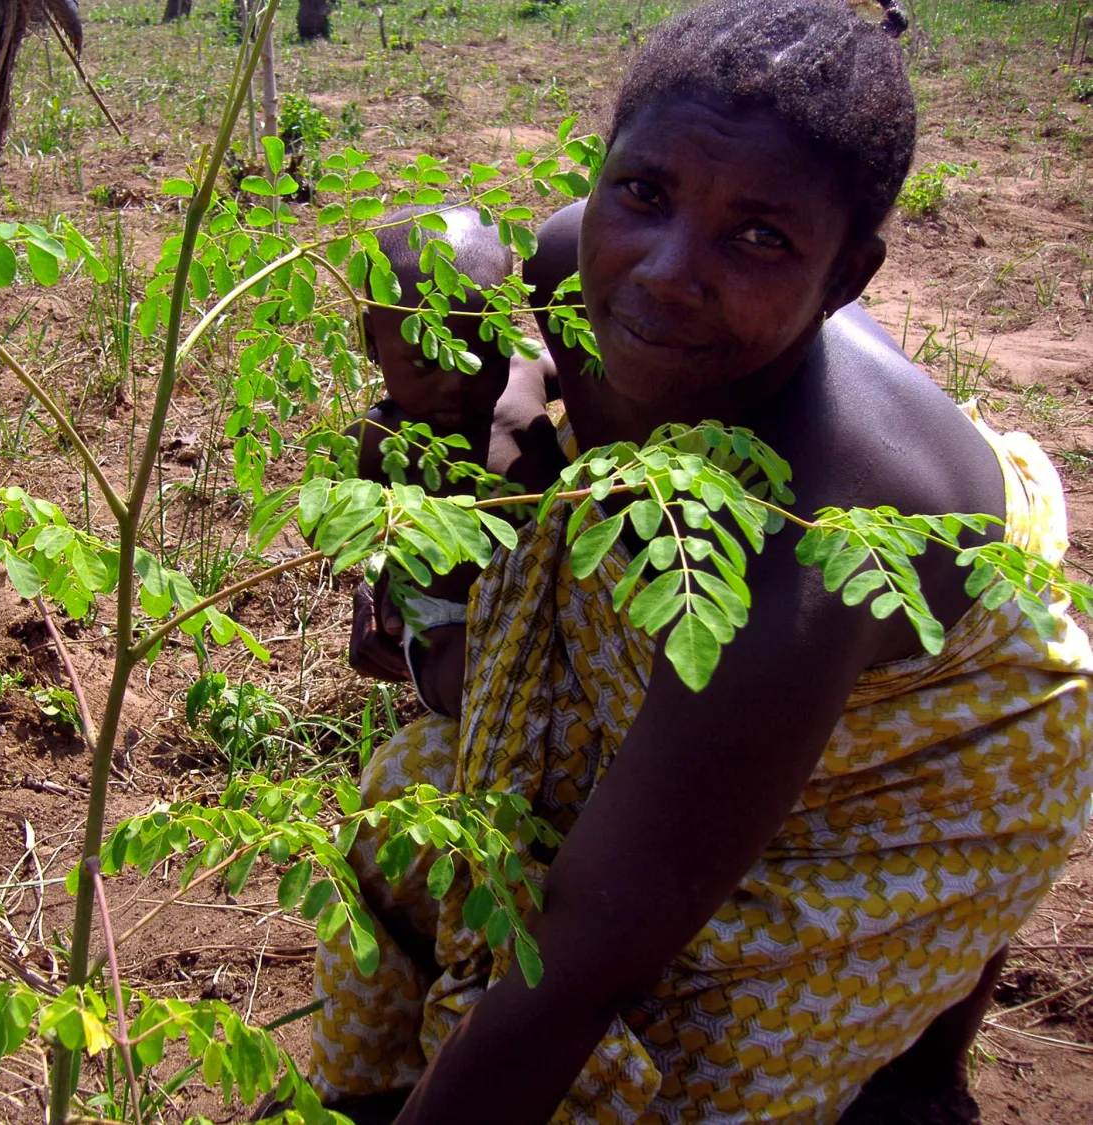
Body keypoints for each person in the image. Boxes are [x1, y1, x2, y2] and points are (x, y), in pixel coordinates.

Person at [314, 2, 1093, 1123]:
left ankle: (914, 1064)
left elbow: (573, 975)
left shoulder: (812, 553)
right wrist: (425, 558)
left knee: (671, 1072)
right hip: (752, 681)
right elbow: (554, 458)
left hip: (936, 753)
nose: (669, 272)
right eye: (643, 192)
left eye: (759, 238)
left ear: (849, 275)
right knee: (416, 814)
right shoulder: (571, 266)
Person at [349, 205, 564, 717]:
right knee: (469, 679)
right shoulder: (376, 442)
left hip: (555, 589)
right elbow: (362, 540)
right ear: (372, 341)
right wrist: (372, 584)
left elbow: (598, 377)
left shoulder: (527, 373)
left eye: (482, 351)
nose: (456, 382)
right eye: (427, 359)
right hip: (450, 619)